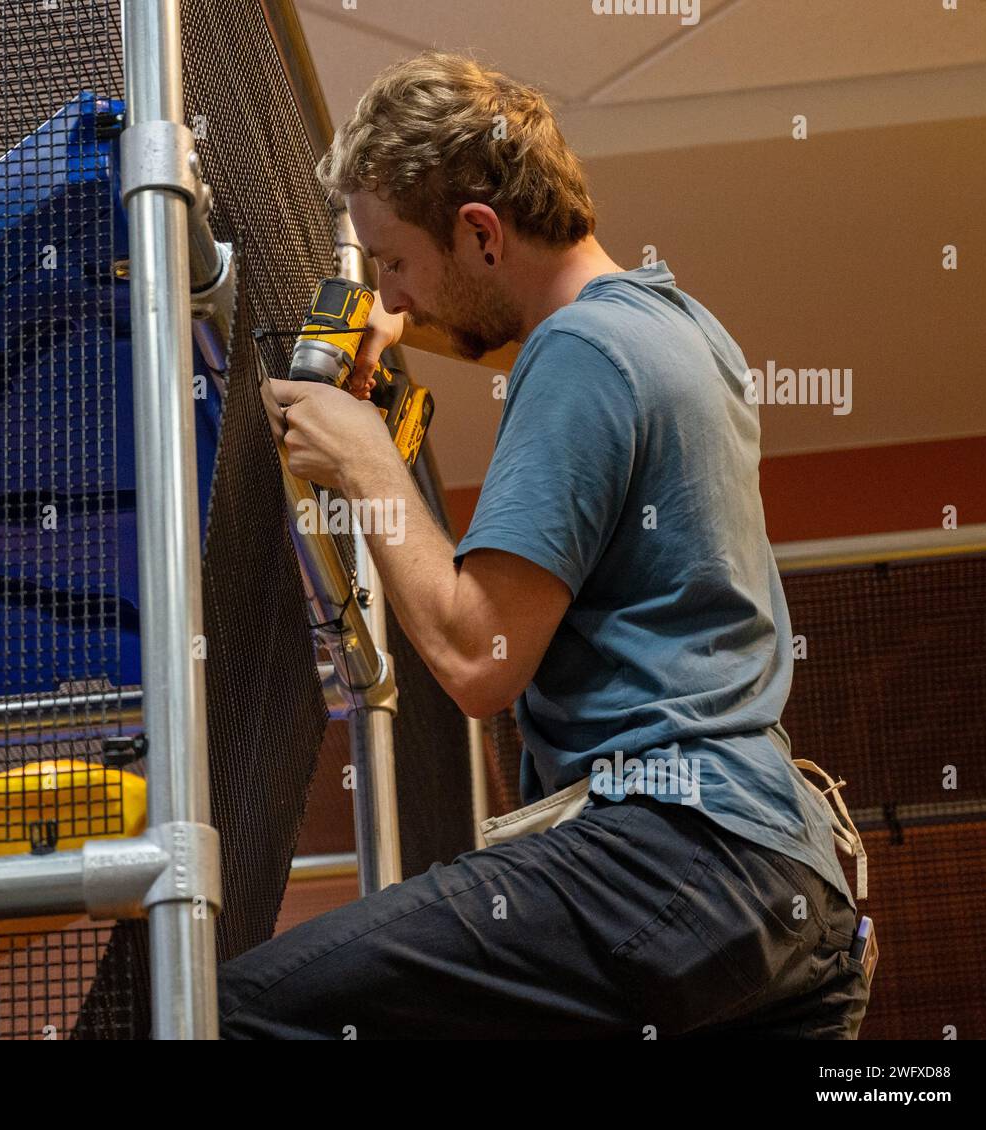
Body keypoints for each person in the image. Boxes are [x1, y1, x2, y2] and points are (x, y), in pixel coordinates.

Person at [222, 49, 869, 1039]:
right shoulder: (681, 331)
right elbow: (521, 335)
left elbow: (478, 657)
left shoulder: (576, 355)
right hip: (781, 893)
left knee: (237, 1013)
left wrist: (364, 460)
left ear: (479, 231)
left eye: (394, 262)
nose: (392, 297)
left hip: (670, 860)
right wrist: (398, 331)